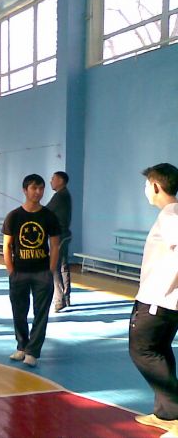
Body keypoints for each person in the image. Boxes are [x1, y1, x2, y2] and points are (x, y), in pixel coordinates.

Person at [129, 163, 178, 437]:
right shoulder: (171, 214)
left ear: (156, 186)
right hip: (165, 301)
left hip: (159, 300)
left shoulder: (170, 215)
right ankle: (166, 414)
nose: (145, 189)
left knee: (143, 351)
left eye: (147, 184)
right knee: (159, 350)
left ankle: (176, 413)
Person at [2, 174, 60, 367]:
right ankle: (21, 346)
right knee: (19, 312)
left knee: (41, 313)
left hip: (42, 273)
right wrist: (11, 271)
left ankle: (33, 351)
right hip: (19, 273)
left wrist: (50, 270)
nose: (38, 192)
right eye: (34, 188)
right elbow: (7, 246)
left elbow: (55, 245)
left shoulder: (49, 216)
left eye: (41, 188)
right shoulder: (14, 216)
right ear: (25, 190)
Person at [46, 171, 72, 312]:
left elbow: (46, 211)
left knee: (54, 267)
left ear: (60, 181)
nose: (51, 181)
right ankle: (66, 297)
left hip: (60, 236)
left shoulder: (60, 196)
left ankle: (59, 300)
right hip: (65, 235)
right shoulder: (64, 194)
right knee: (63, 266)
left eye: (53, 179)